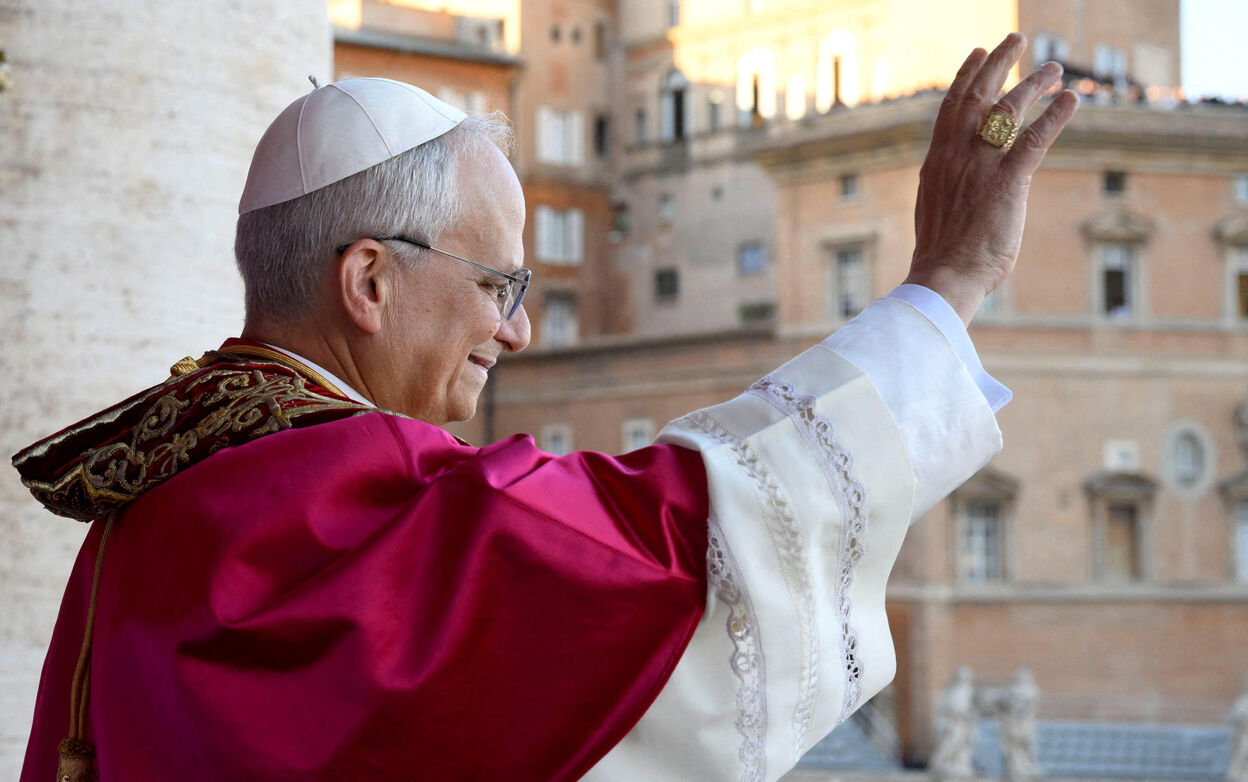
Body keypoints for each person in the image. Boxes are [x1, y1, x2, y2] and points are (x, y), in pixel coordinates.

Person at [13, 33, 1076, 782]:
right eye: (499, 286)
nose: (518, 332)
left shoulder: (149, 502)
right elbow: (680, 543)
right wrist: (946, 287)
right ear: (370, 282)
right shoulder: (350, 494)